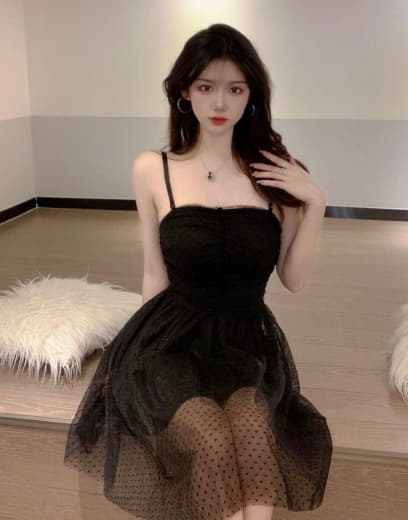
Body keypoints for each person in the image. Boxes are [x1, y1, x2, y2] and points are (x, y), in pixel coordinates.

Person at [63, 23, 332, 520]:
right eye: (206, 87)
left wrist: (315, 202)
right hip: (170, 342)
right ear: (185, 92)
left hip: (246, 342)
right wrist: (132, 358)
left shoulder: (279, 175)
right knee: (210, 435)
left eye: (236, 89)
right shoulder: (153, 169)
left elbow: (293, 280)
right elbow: (154, 272)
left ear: (252, 96)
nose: (220, 102)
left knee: (252, 430)